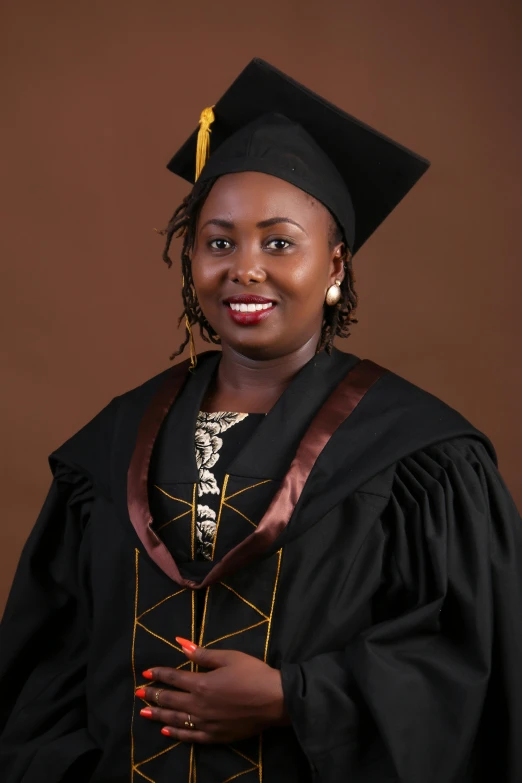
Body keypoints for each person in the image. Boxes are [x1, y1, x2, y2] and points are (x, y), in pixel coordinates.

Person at [0, 58, 520, 783]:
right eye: (219, 242)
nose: (245, 268)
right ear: (191, 260)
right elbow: (44, 673)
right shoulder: (114, 442)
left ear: (334, 265)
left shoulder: (418, 457)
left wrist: (291, 697)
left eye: (280, 242)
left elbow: (462, 668)